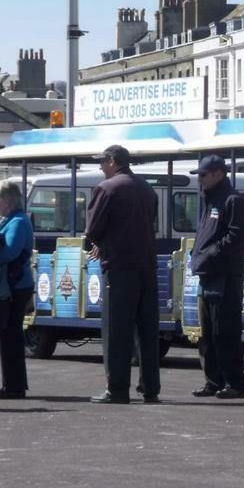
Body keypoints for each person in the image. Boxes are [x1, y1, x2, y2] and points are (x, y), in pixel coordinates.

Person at [85, 144, 160, 405]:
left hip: (119, 266)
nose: (100, 166)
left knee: (117, 331)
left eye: (102, 161)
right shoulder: (147, 188)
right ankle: (150, 388)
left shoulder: (107, 189)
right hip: (147, 266)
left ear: (113, 161)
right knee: (148, 329)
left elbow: (93, 229)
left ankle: (117, 389)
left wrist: (99, 242)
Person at [189, 155, 244, 399]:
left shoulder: (233, 200)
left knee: (224, 331)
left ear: (218, 173)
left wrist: (211, 253)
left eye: (203, 175)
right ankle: (213, 381)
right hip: (208, 274)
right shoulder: (210, 200)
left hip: (225, 275)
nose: (200, 180)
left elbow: (238, 235)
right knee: (207, 333)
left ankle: (235, 383)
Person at [0, 180, 34, 399]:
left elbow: (9, 252)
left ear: (5, 200)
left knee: (8, 334)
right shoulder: (17, 219)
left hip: (14, 286)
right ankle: (14, 383)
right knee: (10, 334)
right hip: (18, 285)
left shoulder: (16, 222)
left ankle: (13, 385)